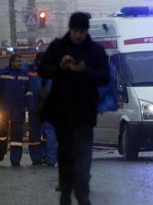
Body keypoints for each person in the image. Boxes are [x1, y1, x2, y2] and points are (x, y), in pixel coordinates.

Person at [39, 12, 109, 205]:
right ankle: (65, 193)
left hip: (85, 114)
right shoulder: (57, 47)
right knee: (66, 156)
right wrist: (60, 66)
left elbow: (105, 77)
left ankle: (83, 195)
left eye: (82, 31)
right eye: (75, 31)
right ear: (70, 29)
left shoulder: (95, 51)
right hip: (62, 114)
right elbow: (42, 70)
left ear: (86, 31)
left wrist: (85, 70)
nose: (79, 35)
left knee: (84, 158)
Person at [0, 53, 31, 166]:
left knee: (17, 137)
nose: (21, 63)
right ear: (12, 62)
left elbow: (28, 92)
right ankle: (0, 152)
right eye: (18, 61)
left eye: (21, 61)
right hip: (4, 109)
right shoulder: (2, 73)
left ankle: (15, 160)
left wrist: (28, 106)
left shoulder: (25, 75)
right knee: (1, 134)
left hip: (19, 109)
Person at [27, 52, 57, 166]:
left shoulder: (31, 70)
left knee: (39, 135)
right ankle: (49, 159)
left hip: (36, 107)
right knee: (49, 134)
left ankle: (39, 158)